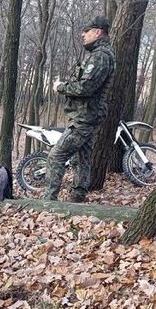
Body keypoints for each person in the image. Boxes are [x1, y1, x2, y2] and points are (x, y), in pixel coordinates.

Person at [43, 16, 116, 203]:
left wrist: (61, 87)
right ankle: (77, 197)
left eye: (87, 30)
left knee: (56, 156)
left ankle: (48, 201)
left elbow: (85, 88)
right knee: (82, 158)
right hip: (88, 115)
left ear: (98, 32)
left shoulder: (100, 57)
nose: (82, 34)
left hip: (85, 118)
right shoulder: (99, 54)